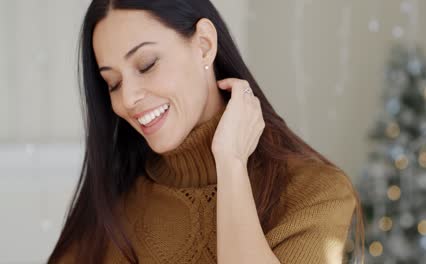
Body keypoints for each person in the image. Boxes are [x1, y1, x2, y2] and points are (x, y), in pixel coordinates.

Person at [48, 0, 364, 263]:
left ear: (204, 45)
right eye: (112, 83)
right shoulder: (111, 207)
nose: (127, 99)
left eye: (146, 64)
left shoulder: (315, 193)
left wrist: (230, 162)